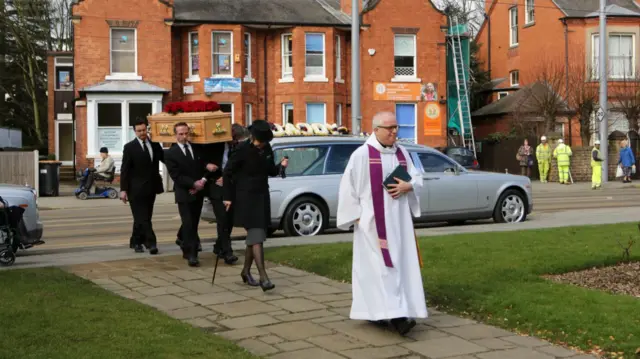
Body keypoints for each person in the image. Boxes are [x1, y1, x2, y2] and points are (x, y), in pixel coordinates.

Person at [336, 111, 426, 336]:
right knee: (381, 269)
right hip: (373, 224)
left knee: (399, 265)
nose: (394, 132)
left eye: (396, 127)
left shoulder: (403, 153)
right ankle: (397, 318)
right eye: (389, 128)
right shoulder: (362, 155)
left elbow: (417, 175)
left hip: (400, 222)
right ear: (375, 129)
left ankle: (385, 311)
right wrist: (356, 215)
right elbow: (348, 188)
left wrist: (410, 185)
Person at [223, 120, 288, 291]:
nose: (262, 144)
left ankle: (245, 271)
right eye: (260, 141)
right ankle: (263, 277)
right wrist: (227, 197)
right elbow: (227, 173)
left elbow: (270, 171)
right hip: (245, 198)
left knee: (254, 237)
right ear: (253, 138)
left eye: (264, 142)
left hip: (261, 196)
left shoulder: (266, 149)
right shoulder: (241, 150)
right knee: (257, 236)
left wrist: (280, 167)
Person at [165, 122, 218, 267]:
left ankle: (184, 244)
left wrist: (202, 180)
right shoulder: (170, 153)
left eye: (186, 133)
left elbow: (201, 165)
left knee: (193, 223)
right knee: (188, 223)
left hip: (198, 191)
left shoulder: (196, 147)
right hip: (184, 192)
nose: (184, 136)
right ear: (175, 135)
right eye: (180, 134)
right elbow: (176, 175)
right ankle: (192, 254)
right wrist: (192, 184)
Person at [120, 118, 165, 255]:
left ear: (147, 129)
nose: (142, 133)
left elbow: (165, 158)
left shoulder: (155, 145)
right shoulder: (129, 147)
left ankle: (136, 241)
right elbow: (125, 170)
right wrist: (123, 190)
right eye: (139, 131)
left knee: (144, 217)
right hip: (135, 189)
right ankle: (151, 243)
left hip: (151, 187)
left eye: (144, 130)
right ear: (134, 131)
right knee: (142, 217)